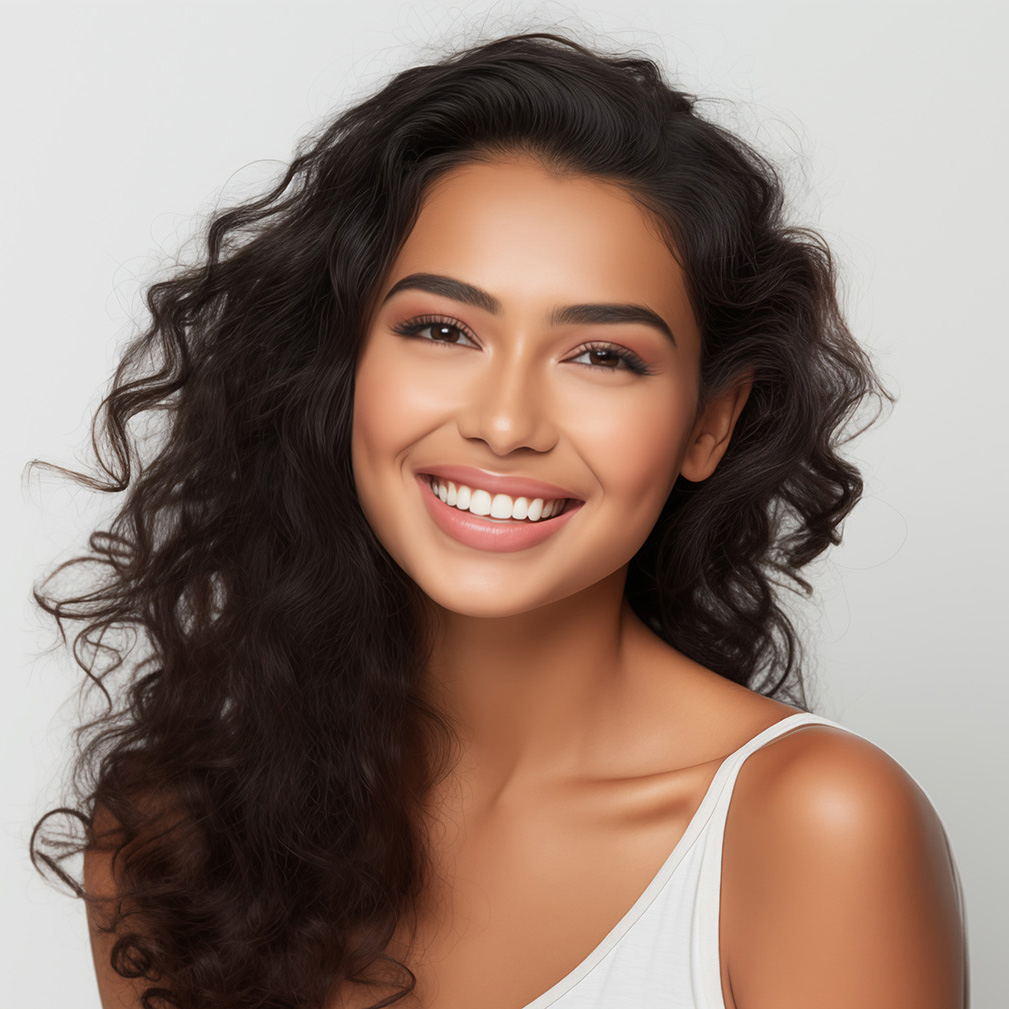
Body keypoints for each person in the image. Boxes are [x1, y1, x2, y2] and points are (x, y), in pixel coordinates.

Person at [29, 30, 967, 1009]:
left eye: (603, 355)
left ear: (707, 422)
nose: (505, 423)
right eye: (442, 330)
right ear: (341, 370)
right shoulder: (171, 837)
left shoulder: (814, 828)